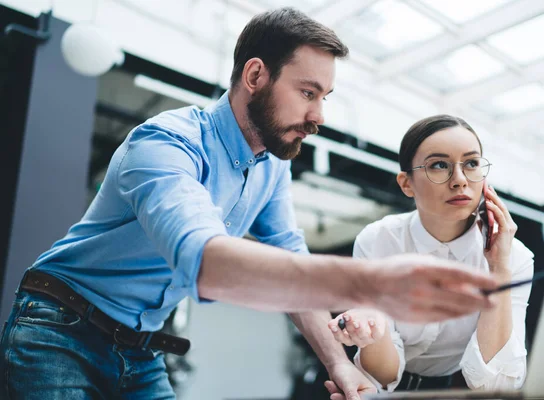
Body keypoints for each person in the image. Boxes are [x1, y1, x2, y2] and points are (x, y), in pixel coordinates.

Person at [0, 9, 499, 400]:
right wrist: (372, 282)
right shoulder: (166, 143)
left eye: (324, 96)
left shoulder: (271, 165)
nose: (318, 115)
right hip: (58, 329)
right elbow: (207, 263)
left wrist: (340, 365)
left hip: (141, 347)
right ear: (255, 74)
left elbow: (293, 266)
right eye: (307, 92)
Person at [328, 115, 534, 393]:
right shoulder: (378, 241)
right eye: (439, 165)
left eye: (472, 163)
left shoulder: (514, 258)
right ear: (406, 184)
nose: (460, 181)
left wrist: (499, 271)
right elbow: (384, 377)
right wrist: (371, 334)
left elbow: (494, 384)